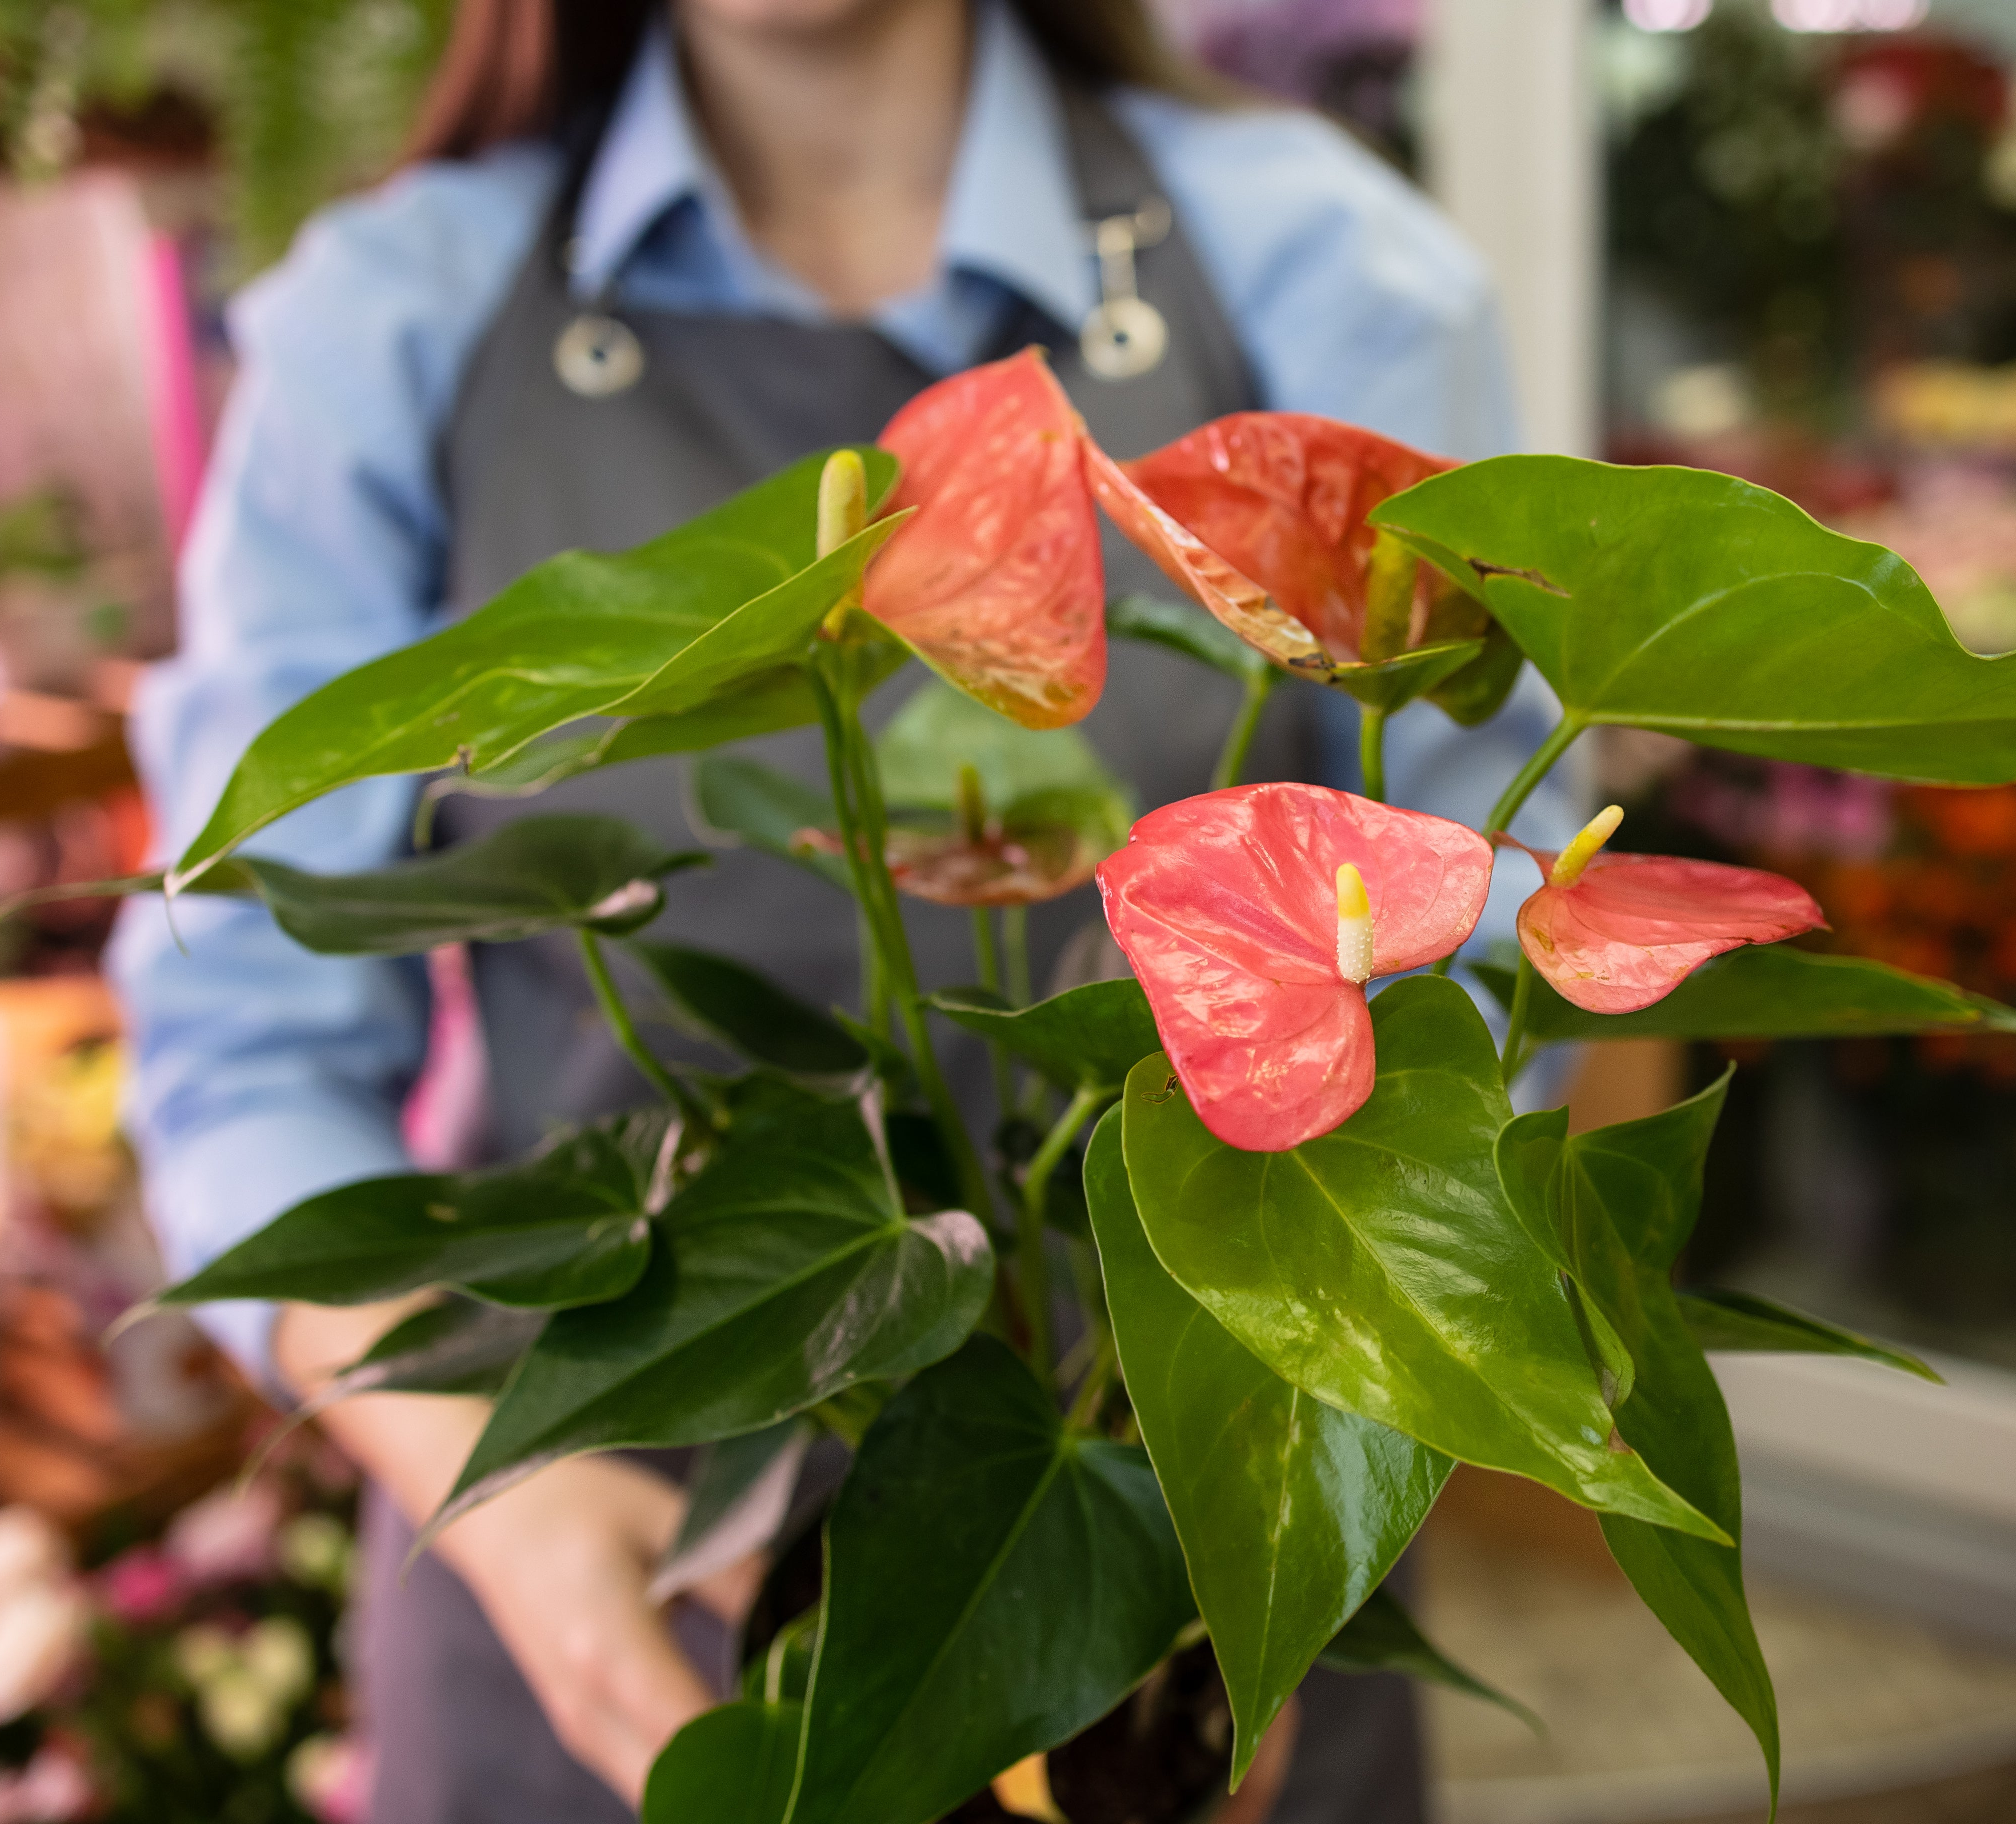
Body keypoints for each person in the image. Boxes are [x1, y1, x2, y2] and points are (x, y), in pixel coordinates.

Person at [108, 0, 1544, 1817]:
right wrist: (507, 1495)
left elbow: (1485, 954)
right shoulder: (391, 321)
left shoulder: (1328, 272)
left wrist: (1236, 1529)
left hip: (1197, 1588)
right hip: (598, 1604)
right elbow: (244, 1050)